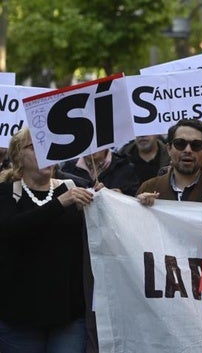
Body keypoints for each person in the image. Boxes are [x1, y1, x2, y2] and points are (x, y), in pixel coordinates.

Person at [0, 127, 102, 352]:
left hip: (68, 316)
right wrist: (60, 204)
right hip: (19, 318)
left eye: (49, 147)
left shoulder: (73, 188)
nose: (45, 152)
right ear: (18, 157)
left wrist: (115, 201)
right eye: (35, 147)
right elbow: (10, 229)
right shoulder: (6, 193)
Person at [136, 119, 202, 206]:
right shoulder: (149, 187)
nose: (188, 150)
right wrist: (140, 206)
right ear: (169, 149)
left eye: (196, 145)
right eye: (180, 144)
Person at [62, 148, 140, 196]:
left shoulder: (124, 166)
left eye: (95, 143)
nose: (91, 147)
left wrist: (120, 196)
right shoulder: (68, 168)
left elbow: (135, 198)